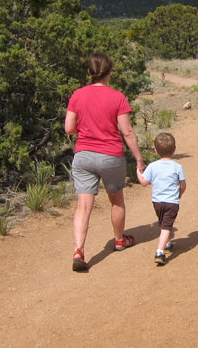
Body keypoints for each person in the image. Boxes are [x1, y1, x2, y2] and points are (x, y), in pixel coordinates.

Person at [65, 52, 146, 272]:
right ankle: (119, 240)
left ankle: (78, 250)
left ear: (89, 72)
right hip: (111, 155)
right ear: (109, 72)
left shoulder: (77, 95)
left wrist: (86, 130)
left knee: (83, 206)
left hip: (83, 155)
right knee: (116, 200)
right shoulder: (117, 97)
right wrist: (139, 158)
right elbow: (127, 132)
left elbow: (69, 128)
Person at [136, 132, 186, 266]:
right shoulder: (177, 167)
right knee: (166, 225)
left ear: (155, 150)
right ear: (174, 149)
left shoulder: (152, 166)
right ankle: (159, 251)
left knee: (163, 223)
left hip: (157, 201)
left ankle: (167, 242)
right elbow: (183, 184)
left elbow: (144, 182)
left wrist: (138, 171)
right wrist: (179, 193)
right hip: (172, 202)